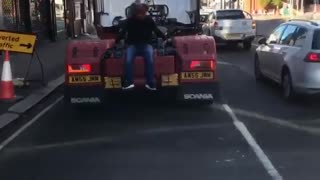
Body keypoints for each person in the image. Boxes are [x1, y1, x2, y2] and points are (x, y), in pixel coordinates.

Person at [116, 3, 166, 91]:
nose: (141, 14)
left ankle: (150, 83)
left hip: (145, 45)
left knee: (149, 60)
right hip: (133, 45)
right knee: (128, 60)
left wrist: (165, 38)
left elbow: (156, 30)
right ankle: (129, 82)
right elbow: (123, 32)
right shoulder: (130, 21)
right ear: (136, 12)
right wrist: (116, 41)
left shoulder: (148, 20)